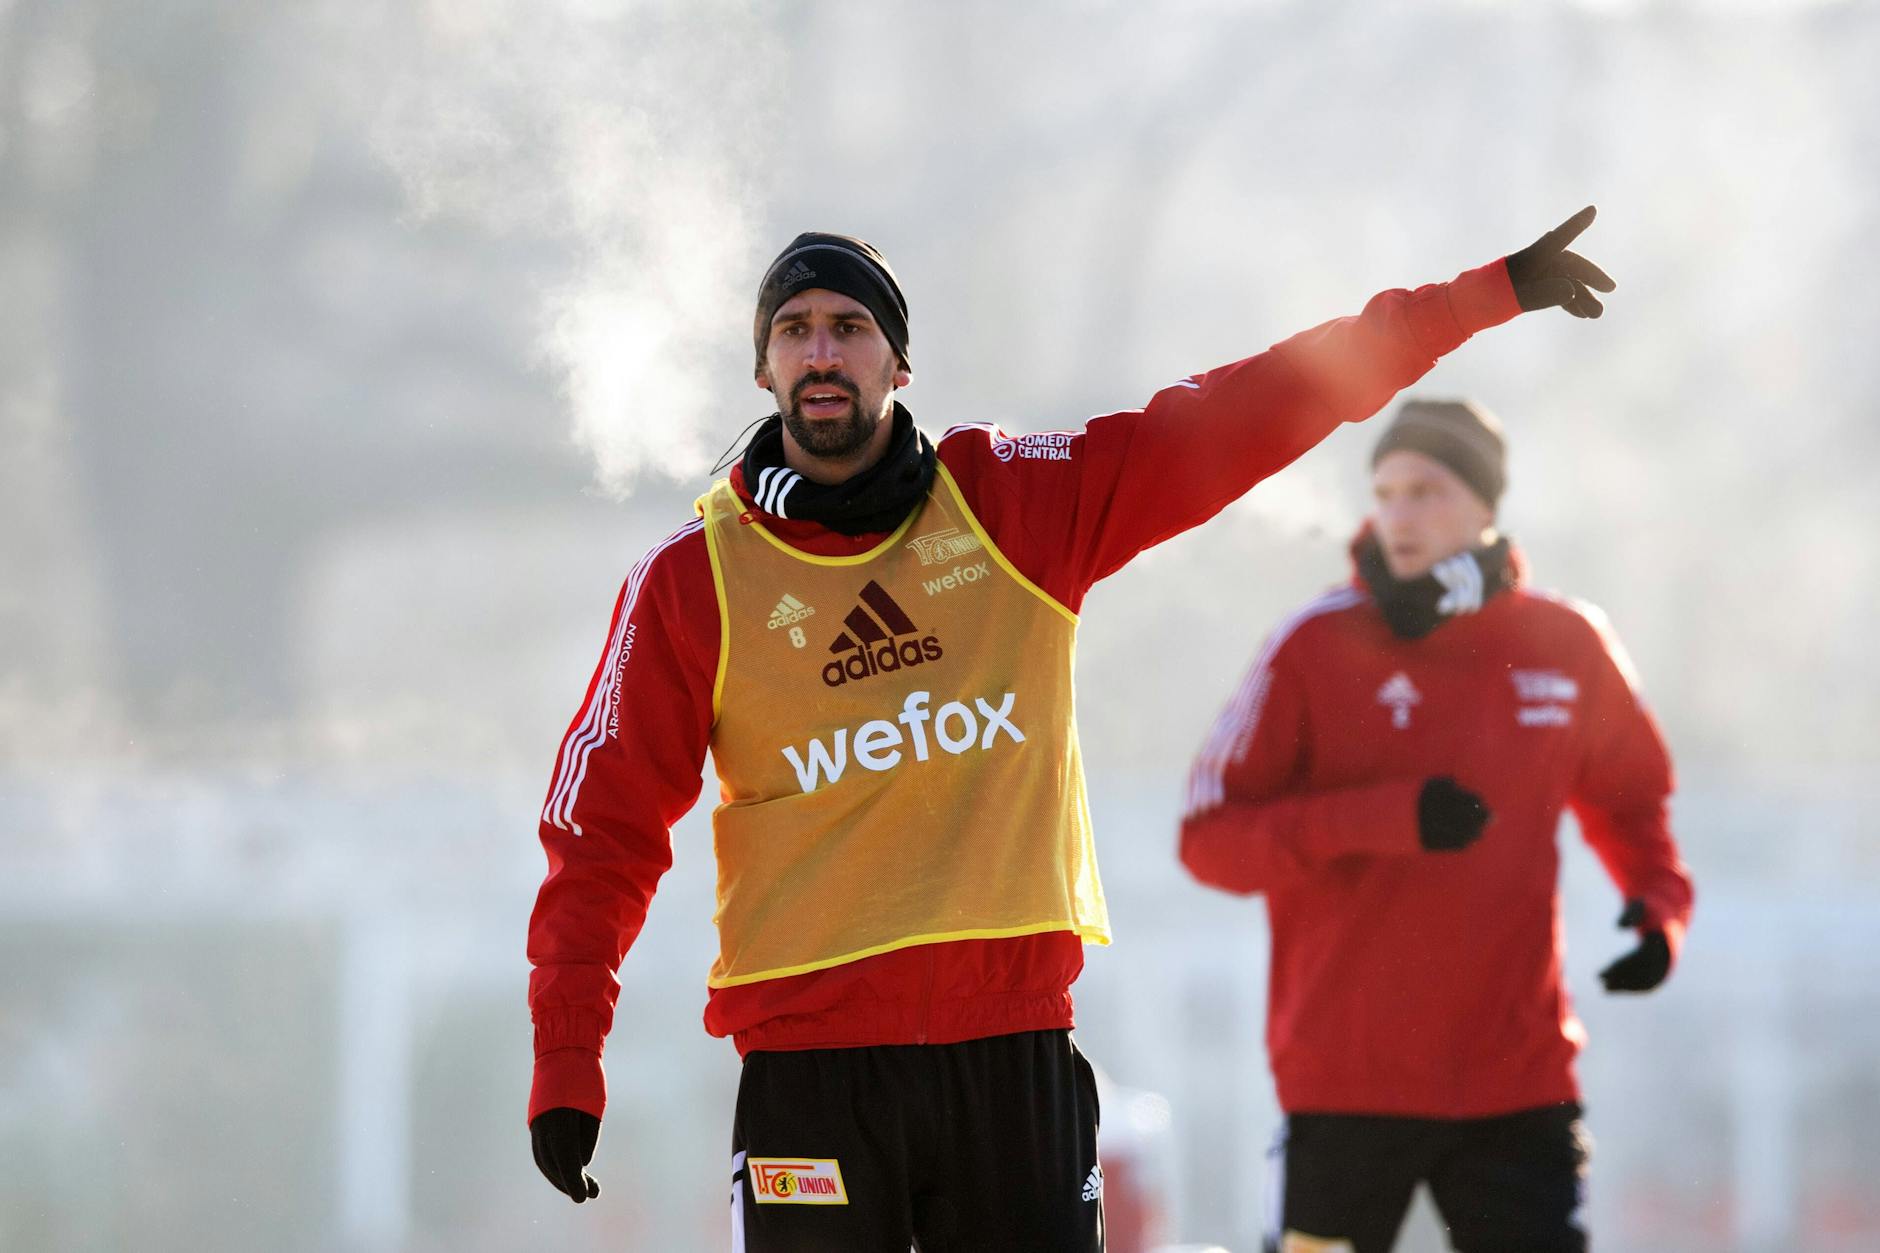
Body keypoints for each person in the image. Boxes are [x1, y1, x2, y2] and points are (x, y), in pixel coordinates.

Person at [527, 211, 1617, 1251]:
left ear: (897, 363)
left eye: (849, 328)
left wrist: (1482, 297)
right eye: (794, 330)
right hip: (812, 1072)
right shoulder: (694, 577)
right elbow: (601, 831)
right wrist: (568, 1056)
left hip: (1012, 1057)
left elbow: (1249, 407)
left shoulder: (1010, 501)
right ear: (761, 368)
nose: (822, 353)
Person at [1178, 395, 1696, 1253]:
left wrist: (1657, 908)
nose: (1399, 514)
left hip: (1517, 1079)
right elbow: (1210, 842)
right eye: (1384, 492)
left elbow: (1635, 802)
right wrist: (1386, 817)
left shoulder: (1566, 641)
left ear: (1485, 506)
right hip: (1347, 1082)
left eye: (1426, 490)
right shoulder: (1312, 643)